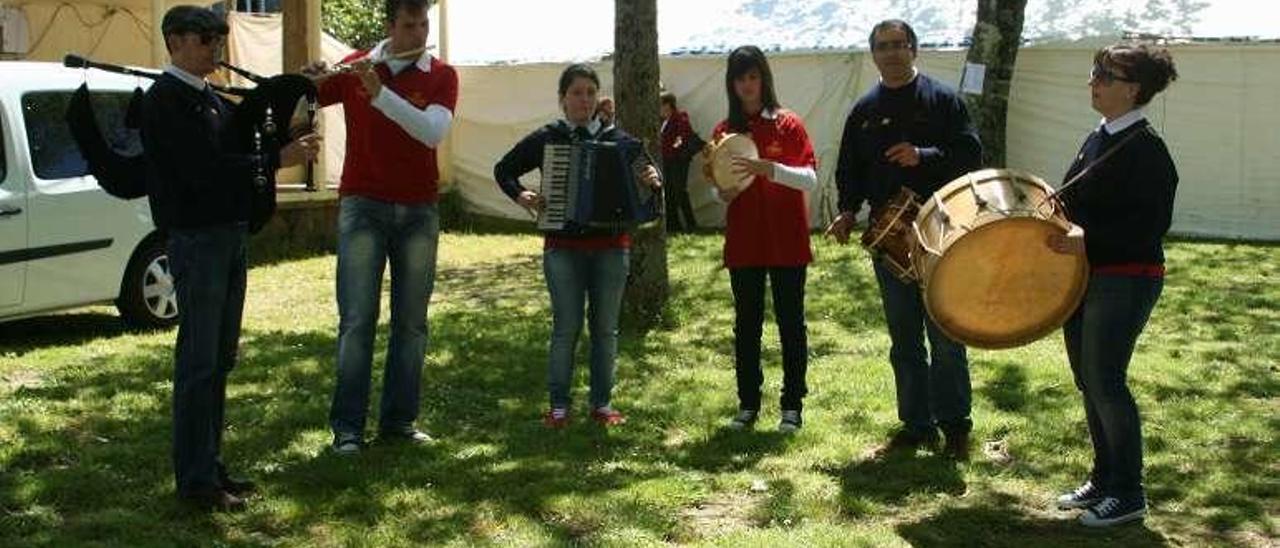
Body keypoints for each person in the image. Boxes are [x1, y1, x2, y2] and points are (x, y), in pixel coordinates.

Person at [141, 4, 318, 511]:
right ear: (175, 41)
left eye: (219, 38)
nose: (215, 47)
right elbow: (206, 170)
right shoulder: (166, 102)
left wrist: (294, 88)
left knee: (218, 360)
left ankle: (209, 468)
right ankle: (195, 481)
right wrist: (275, 160)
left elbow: (248, 135)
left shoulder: (207, 100)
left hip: (226, 235)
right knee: (199, 363)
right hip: (197, 240)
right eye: (205, 38)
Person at [305, 0, 459, 454]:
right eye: (408, 25)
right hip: (364, 204)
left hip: (418, 209)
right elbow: (308, 96)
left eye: (423, 24)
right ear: (390, 27)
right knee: (357, 320)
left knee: (411, 324)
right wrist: (309, 78)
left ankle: (399, 422)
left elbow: (431, 132)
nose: (417, 33)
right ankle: (348, 429)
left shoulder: (441, 75)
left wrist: (381, 95)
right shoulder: (356, 67)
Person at [827, 19, 982, 458]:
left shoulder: (943, 100)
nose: (892, 53)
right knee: (905, 336)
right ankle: (916, 425)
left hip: (940, 231)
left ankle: (955, 427)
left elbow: (972, 155)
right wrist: (845, 211)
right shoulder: (863, 111)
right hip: (888, 235)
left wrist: (924, 156)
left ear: (914, 49)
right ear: (873, 54)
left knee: (946, 333)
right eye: (883, 46)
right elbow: (850, 170)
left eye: (899, 45)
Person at [1047, 42, 1179, 528]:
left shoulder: (1146, 149)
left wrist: (1087, 238)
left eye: (1107, 75)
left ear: (1134, 89)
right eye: (1095, 72)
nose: (1094, 81)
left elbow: (1149, 226)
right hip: (1088, 277)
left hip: (1126, 278)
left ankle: (1128, 492)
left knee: (1106, 381)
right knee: (1089, 381)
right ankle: (1104, 480)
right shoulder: (1098, 136)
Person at [493, 64, 661, 428]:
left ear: (597, 98)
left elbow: (650, 185)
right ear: (562, 99)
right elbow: (503, 169)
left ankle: (601, 404)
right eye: (576, 93)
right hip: (562, 246)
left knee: (605, 329)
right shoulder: (548, 138)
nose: (583, 100)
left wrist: (653, 178)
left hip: (612, 246)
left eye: (589, 92)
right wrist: (521, 195)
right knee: (565, 327)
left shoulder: (621, 141)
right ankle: (558, 406)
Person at [710, 46, 818, 433]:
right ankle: (748, 404)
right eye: (740, 78)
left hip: (787, 239)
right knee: (747, 324)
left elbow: (810, 178)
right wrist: (721, 192)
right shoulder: (724, 132)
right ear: (732, 84)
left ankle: (792, 406)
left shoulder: (788, 123)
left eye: (753, 76)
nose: (747, 85)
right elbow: (717, 187)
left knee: (791, 323)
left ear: (764, 79)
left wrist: (767, 168)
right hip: (744, 241)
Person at [660, 91, 699, 232]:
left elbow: (683, 134)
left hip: (678, 161)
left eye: (661, 104)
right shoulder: (663, 121)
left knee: (680, 191)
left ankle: (691, 224)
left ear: (668, 105)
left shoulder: (680, 117)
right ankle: (673, 225)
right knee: (669, 192)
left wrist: (677, 144)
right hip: (667, 161)